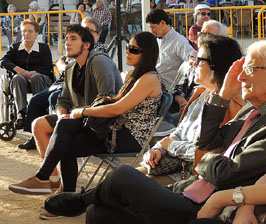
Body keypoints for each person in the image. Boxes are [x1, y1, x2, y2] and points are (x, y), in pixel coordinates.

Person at [43, 40, 266, 224]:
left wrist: (207, 161)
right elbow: (208, 141)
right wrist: (220, 98)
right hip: (189, 191)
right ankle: (87, 201)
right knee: (99, 214)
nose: (241, 78)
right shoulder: (252, 110)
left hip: (208, 207)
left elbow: (225, 173)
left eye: (249, 70)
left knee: (123, 176)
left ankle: (82, 198)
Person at [9, 31, 162, 218]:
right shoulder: (133, 74)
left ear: (147, 53)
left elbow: (117, 108)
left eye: (133, 49)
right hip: (113, 128)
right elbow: (106, 103)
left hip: (129, 136)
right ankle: (52, 186)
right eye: (128, 46)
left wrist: (84, 111)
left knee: (67, 140)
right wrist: (75, 114)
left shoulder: (149, 78)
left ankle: (56, 190)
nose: (127, 51)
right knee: (65, 127)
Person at [14, 24, 122, 191]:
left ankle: (47, 180)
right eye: (66, 39)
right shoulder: (71, 66)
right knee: (39, 125)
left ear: (86, 45)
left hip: (102, 122)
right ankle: (52, 179)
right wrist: (60, 115)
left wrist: (76, 115)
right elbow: (63, 100)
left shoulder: (99, 61)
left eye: (73, 39)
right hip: (79, 118)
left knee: (65, 131)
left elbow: (106, 98)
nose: (67, 43)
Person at [138, 34, 244, 185]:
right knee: (120, 179)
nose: (193, 64)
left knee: (126, 184)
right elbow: (180, 131)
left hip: (193, 177)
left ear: (216, 65)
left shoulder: (231, 106)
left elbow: (209, 153)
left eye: (199, 60)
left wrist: (168, 146)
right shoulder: (202, 92)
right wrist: (158, 150)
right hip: (175, 167)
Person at [18, 17, 105, 150]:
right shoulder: (75, 45)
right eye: (82, 29)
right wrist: (62, 65)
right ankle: (34, 137)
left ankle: (57, 135)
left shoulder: (98, 52)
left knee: (55, 98)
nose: (84, 33)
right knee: (35, 100)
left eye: (89, 30)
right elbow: (60, 60)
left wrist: (67, 68)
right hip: (60, 83)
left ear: (98, 34)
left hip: (77, 87)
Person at [194, 132, 266, 223]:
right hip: (199, 185)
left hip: (214, 190)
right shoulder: (247, 113)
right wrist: (245, 208)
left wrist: (218, 199)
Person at [0, 19, 53, 129]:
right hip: (21, 80)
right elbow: (3, 61)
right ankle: (22, 113)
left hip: (40, 79)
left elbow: (48, 67)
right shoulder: (15, 48)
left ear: (36, 34)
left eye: (30, 31)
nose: (26, 34)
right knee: (17, 78)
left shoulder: (43, 48)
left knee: (36, 78)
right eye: (24, 31)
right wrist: (16, 68)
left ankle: (38, 111)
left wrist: (33, 72)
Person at [172, 20, 228, 119]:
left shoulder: (223, 67)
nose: (203, 38)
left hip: (203, 114)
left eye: (209, 35)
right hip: (185, 110)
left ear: (221, 40)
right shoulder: (194, 62)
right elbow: (178, 87)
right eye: (201, 34)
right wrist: (182, 101)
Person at [146, 9, 195, 91]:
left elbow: (192, 55)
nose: (152, 31)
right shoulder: (158, 40)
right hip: (155, 80)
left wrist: (192, 58)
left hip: (167, 87)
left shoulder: (179, 41)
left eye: (153, 27)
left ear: (162, 23)